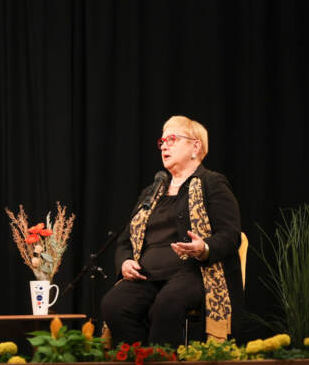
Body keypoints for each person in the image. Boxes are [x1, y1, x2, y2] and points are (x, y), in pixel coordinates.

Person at [101, 116, 242, 346]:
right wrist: (125, 262)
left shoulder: (212, 183)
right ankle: (139, 364)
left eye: (172, 139)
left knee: (167, 304)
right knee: (114, 305)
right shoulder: (153, 191)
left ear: (195, 146)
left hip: (194, 271)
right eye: (162, 141)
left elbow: (230, 235)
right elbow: (126, 240)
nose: (164, 145)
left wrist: (203, 247)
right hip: (146, 274)